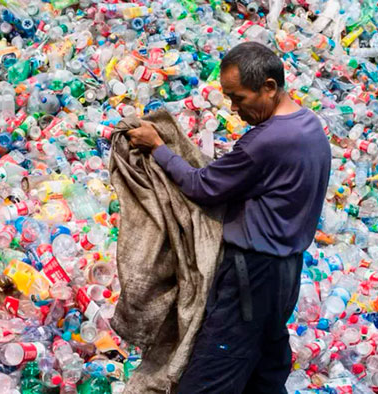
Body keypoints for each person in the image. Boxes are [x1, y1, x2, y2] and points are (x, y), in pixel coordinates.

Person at [126, 41, 331, 393]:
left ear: (269, 87)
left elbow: (201, 186)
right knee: (264, 370)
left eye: (240, 98)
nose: (234, 109)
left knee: (212, 373)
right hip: (287, 272)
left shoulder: (265, 142)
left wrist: (158, 148)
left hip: (252, 274)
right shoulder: (309, 127)